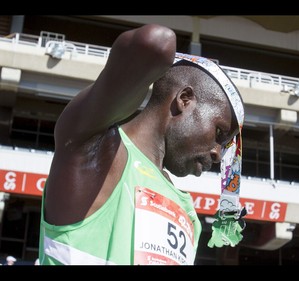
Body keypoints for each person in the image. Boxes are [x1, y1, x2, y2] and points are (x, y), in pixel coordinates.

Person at [38, 23, 245, 265]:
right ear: (184, 99)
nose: (219, 154)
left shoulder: (187, 211)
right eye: (219, 133)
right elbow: (156, 41)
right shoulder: (100, 150)